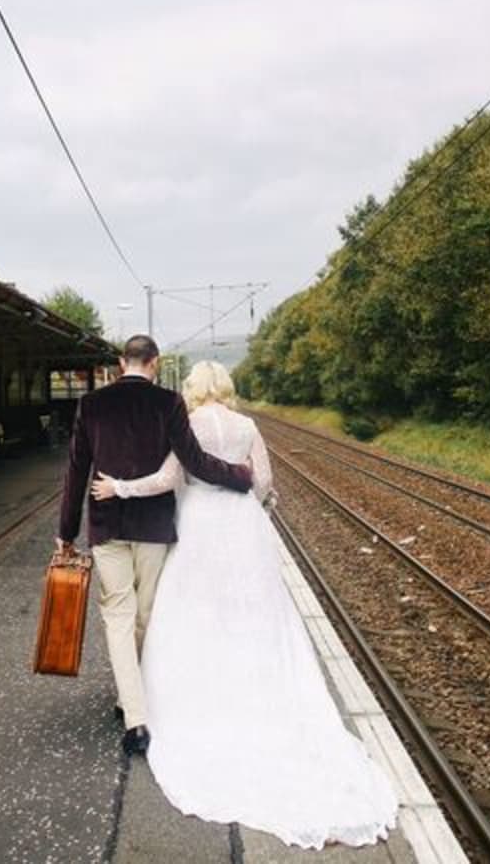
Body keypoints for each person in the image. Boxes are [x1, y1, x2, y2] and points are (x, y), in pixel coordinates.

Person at [88, 361, 397, 849]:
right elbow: (263, 483)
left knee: (196, 614)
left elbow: (168, 478)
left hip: (199, 529)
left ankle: (193, 695)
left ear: (192, 390)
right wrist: (261, 507)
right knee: (254, 613)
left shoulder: (184, 424)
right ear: (226, 389)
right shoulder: (247, 425)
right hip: (241, 526)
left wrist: (120, 487)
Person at [58, 336, 254, 756]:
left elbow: (76, 471)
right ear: (155, 362)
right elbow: (195, 461)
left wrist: (66, 532)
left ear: (119, 362)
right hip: (153, 526)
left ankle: (134, 716)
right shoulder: (169, 403)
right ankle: (135, 705)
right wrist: (240, 477)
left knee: (118, 617)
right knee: (144, 617)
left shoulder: (92, 404)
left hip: (107, 525)